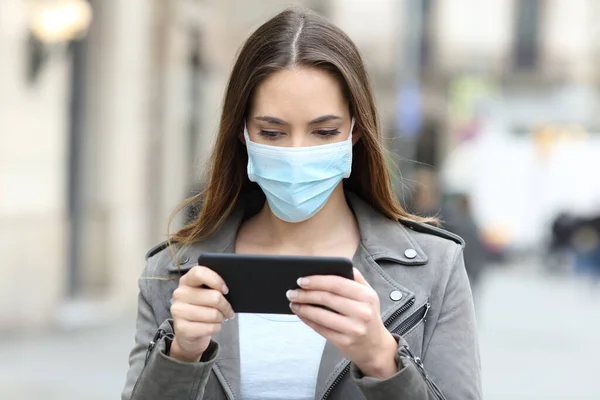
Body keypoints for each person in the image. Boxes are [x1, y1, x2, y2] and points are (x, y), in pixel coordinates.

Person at [122, 8, 481, 400]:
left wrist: (382, 359)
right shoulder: (172, 272)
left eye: (324, 131)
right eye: (272, 132)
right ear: (241, 132)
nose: (296, 152)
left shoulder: (435, 268)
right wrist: (181, 356)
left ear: (355, 130)